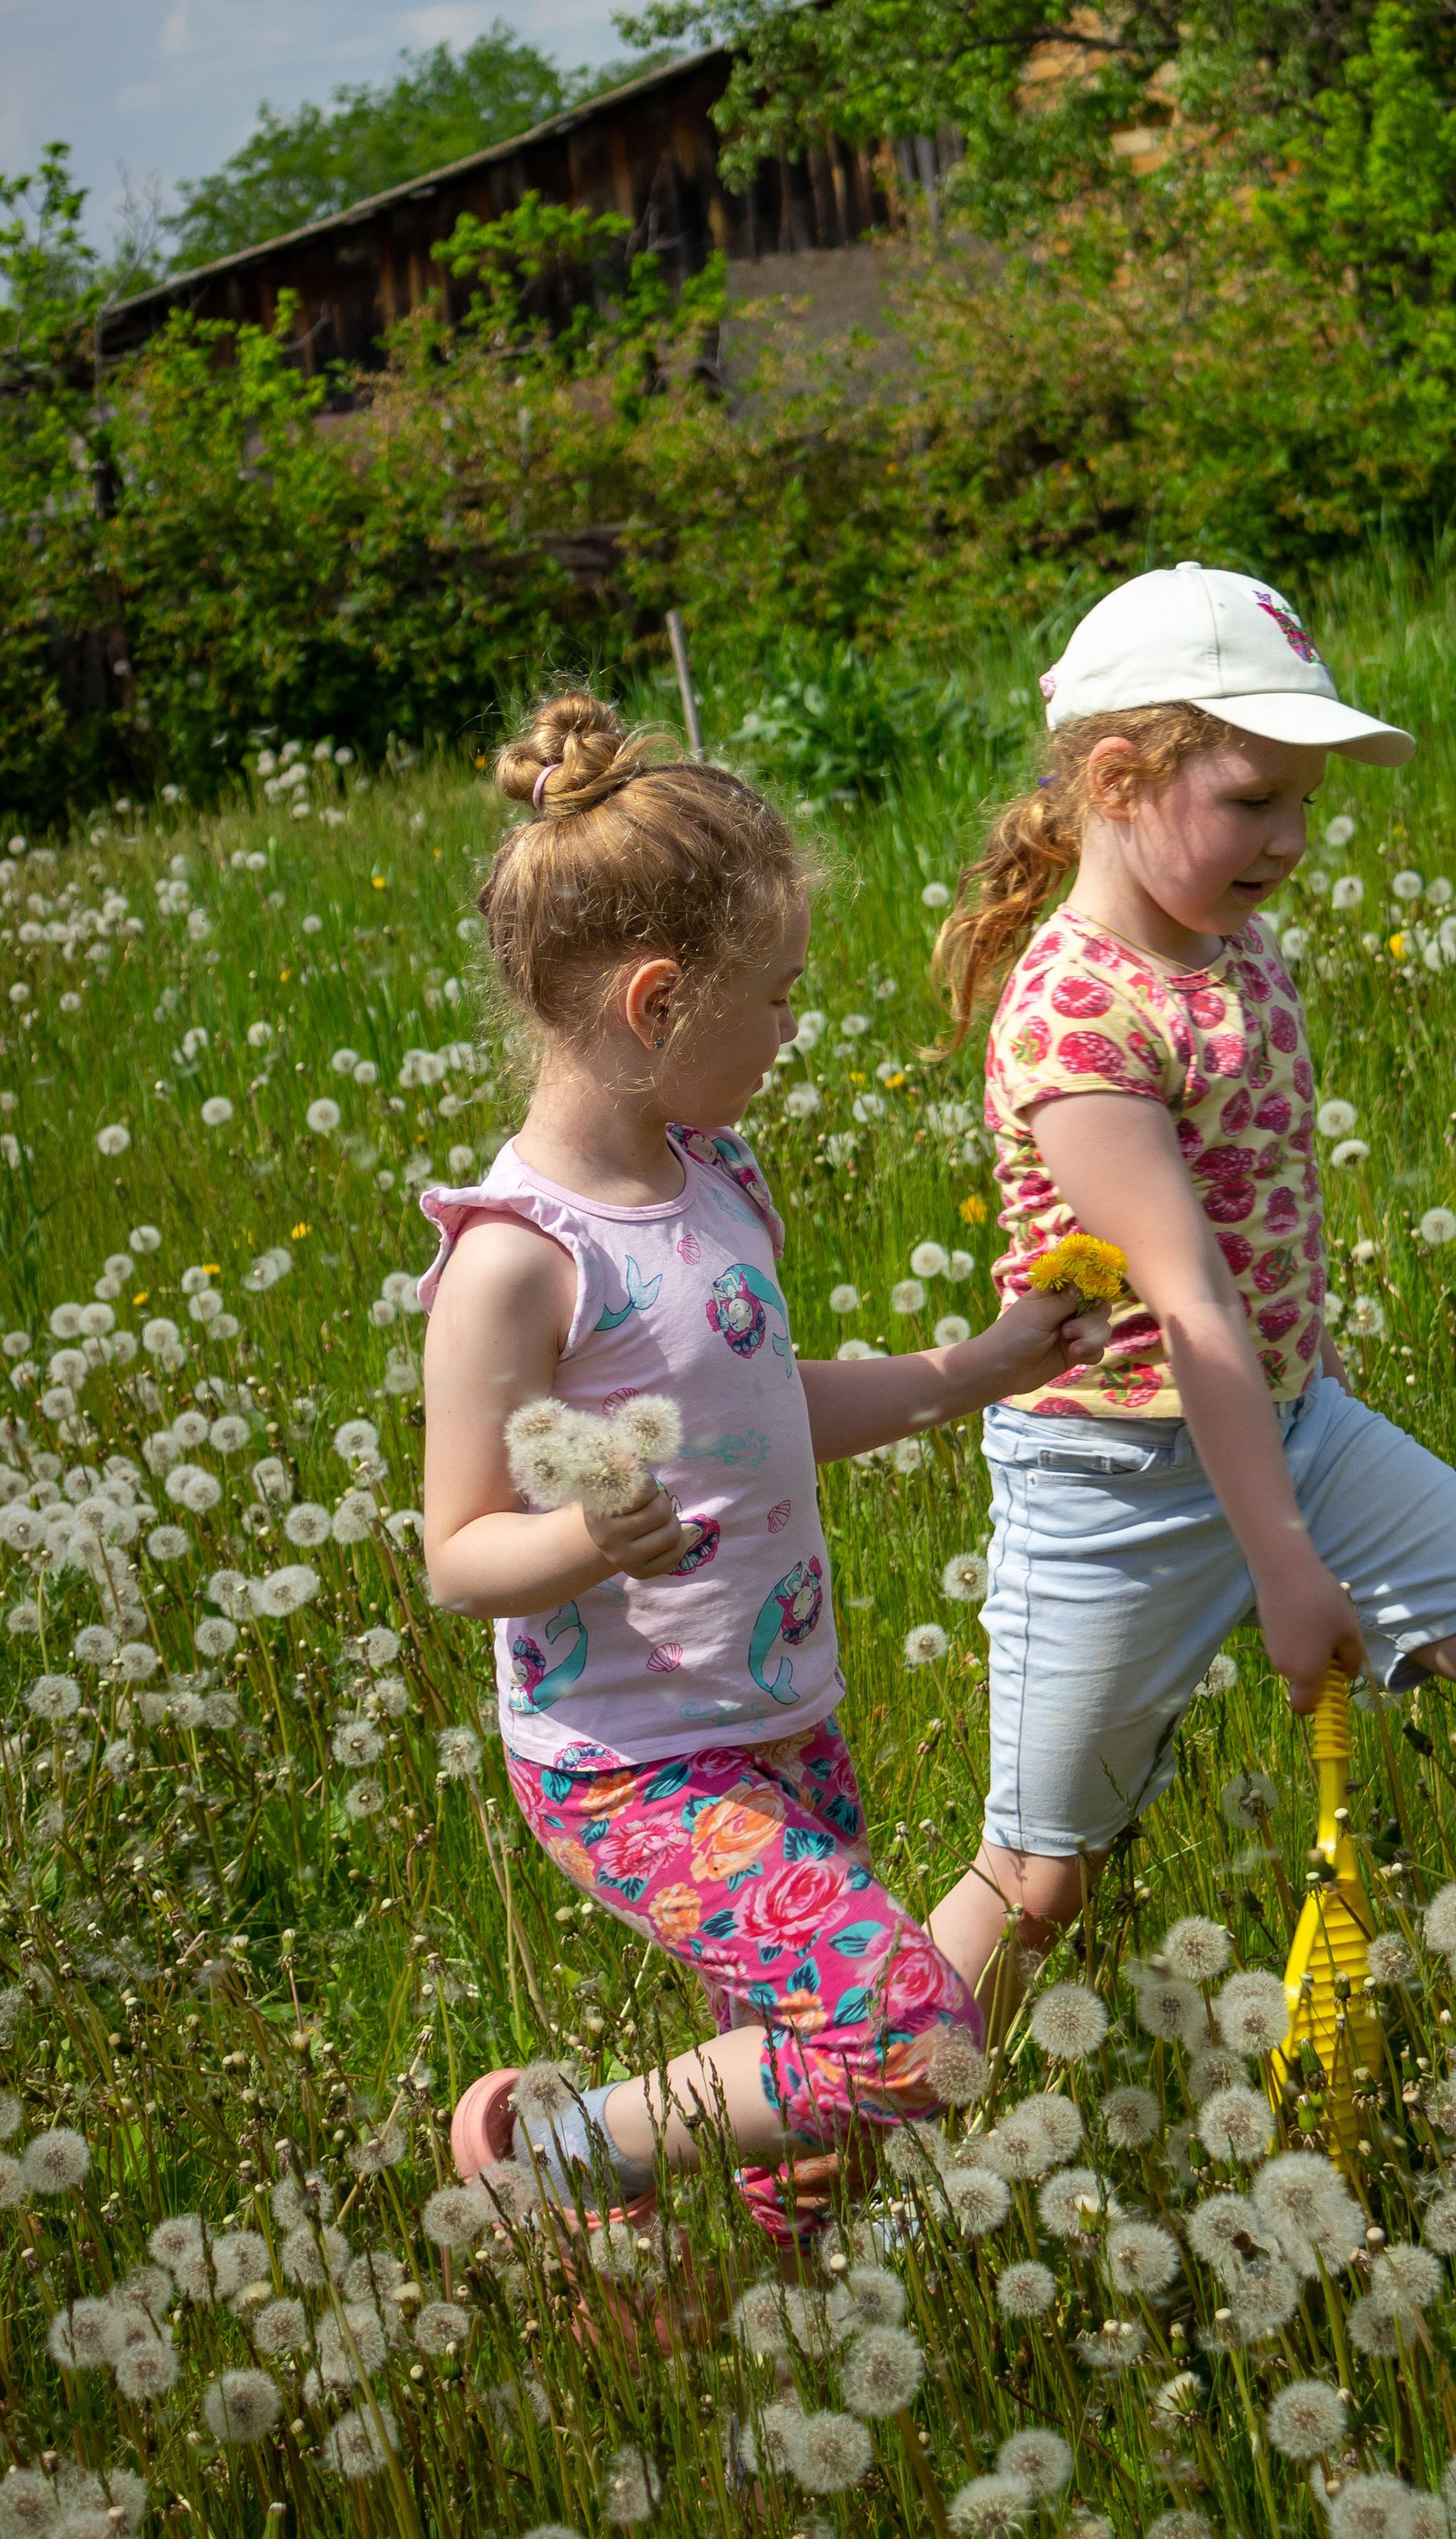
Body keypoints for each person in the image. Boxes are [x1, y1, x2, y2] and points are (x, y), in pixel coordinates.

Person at [420, 692, 1108, 2245]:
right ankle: (558, 2153)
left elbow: (758, 1402)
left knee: (816, 2091)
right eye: (779, 1000)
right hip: (631, 1766)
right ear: (662, 1003)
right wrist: (590, 1540)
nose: (794, 1033)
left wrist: (977, 1370)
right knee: (919, 2036)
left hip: (785, 1716)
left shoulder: (714, 1171)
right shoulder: (517, 1266)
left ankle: (778, 2312)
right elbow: (459, 1552)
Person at [923, 563, 1456, 2011]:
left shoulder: (1227, 939)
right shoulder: (1076, 1013)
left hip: (1295, 1429)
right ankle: (822, 2136)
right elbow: (1190, 1308)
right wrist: (1283, 1564)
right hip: (1112, 1482)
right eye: (1257, 800)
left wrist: (1290, 1511)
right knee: (1041, 1881)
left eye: (1308, 803)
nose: (1294, 840)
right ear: (1120, 778)